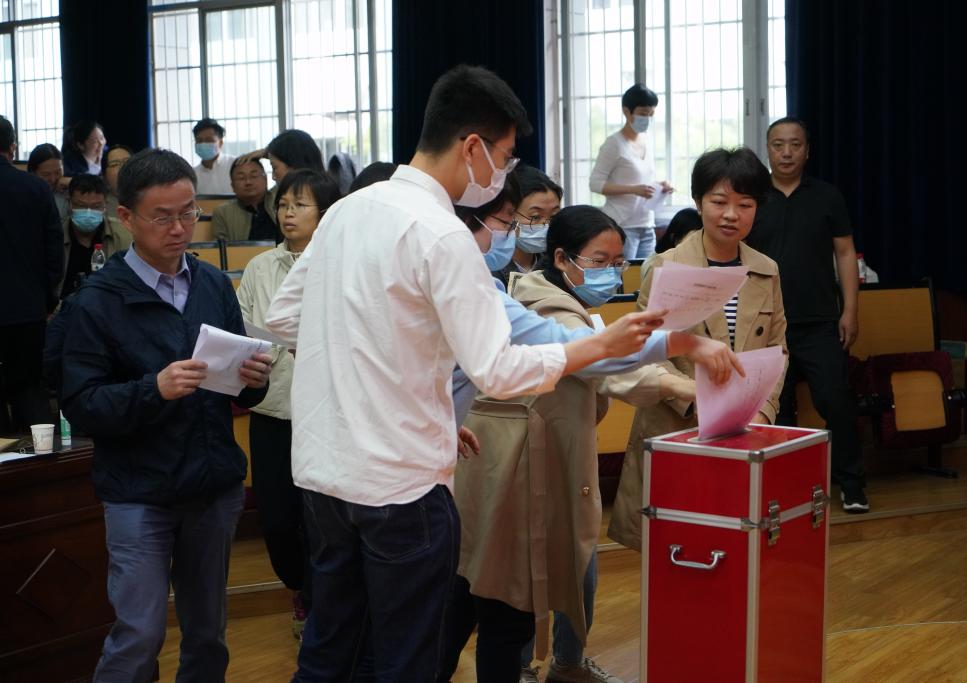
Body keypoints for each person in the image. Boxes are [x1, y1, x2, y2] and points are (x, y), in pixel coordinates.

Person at [263, 64, 679, 682]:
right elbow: (500, 371)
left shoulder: (349, 210)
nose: (503, 174)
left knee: (330, 652)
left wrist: (395, 396)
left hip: (326, 476)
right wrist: (596, 346)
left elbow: (284, 318)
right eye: (505, 158)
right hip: (401, 486)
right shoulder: (441, 233)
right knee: (406, 659)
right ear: (473, 147)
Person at [442, 204, 738, 683]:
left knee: (497, 591)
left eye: (618, 263)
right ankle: (541, 665)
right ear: (562, 258)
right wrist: (682, 365)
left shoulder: (533, 295)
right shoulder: (540, 302)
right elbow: (599, 363)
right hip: (519, 466)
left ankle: (560, 662)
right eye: (599, 262)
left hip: (533, 460)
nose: (611, 274)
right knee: (501, 600)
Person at [59, 148, 272, 681]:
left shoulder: (211, 284)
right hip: (139, 492)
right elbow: (82, 405)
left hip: (212, 485)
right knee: (139, 633)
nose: (179, 229)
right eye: (162, 217)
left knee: (208, 634)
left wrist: (253, 382)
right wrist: (153, 389)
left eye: (188, 212)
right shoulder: (97, 301)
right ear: (126, 217)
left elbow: (237, 392)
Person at [609, 147, 788, 552]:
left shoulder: (766, 269)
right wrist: (698, 402)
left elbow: (777, 348)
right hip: (676, 428)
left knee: (734, 547)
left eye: (745, 205)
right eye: (719, 202)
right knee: (675, 549)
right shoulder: (666, 266)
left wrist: (763, 410)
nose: (731, 215)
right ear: (697, 201)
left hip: (743, 430)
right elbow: (645, 348)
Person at [235, 169, 341, 641]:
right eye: (283, 204)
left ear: (326, 213)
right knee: (278, 520)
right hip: (273, 409)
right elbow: (242, 327)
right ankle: (300, 587)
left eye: (300, 204)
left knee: (322, 519)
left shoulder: (340, 264)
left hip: (327, 413)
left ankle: (321, 608)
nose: (288, 213)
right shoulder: (261, 267)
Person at [745, 117, 869, 513]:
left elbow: (845, 253)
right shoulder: (751, 197)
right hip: (765, 325)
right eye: (778, 144)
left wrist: (850, 310)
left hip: (819, 320)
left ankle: (852, 483)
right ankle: (784, 488)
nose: (786, 152)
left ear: (807, 150)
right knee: (775, 410)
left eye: (795, 145)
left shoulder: (827, 196)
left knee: (836, 400)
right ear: (767, 149)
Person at [0, 115, 61, 433]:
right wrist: (47, 300)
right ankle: (41, 457)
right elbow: (55, 252)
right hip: (28, 310)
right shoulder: (36, 188)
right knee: (29, 389)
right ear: (12, 148)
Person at [589, 84, 673, 260]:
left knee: (646, 273)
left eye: (651, 114)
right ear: (627, 112)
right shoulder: (614, 144)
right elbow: (595, 184)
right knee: (622, 274)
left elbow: (642, 181)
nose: (647, 118)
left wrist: (660, 186)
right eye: (643, 113)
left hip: (647, 224)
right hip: (622, 224)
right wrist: (633, 190)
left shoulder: (646, 141)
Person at [59, 174, 133, 299]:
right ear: (69, 203)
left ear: (105, 205)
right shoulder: (55, 235)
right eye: (81, 206)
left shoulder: (124, 235)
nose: (88, 212)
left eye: (96, 206)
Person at [492, 164, 562, 286]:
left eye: (553, 216)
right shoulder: (489, 267)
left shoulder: (558, 264)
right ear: (508, 215)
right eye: (535, 217)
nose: (546, 225)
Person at [211, 157, 279, 242]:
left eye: (254, 176)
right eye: (241, 178)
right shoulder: (223, 212)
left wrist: (266, 154)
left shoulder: (281, 198)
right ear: (232, 186)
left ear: (266, 180)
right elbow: (220, 246)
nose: (248, 182)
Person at [642, 207, 703, 282]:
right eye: (690, 241)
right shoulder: (655, 263)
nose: (695, 246)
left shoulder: (702, 259)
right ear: (673, 237)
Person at [28, 142, 69, 221]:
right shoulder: (26, 195)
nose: (53, 179)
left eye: (58, 172)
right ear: (32, 173)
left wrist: (72, 183)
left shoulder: (68, 188)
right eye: (46, 174)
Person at [193, 117, 235, 195]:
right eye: (199, 140)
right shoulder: (193, 174)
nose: (203, 144)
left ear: (221, 142)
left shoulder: (235, 165)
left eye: (209, 140)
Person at [102, 144, 134, 213]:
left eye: (127, 161)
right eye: (115, 164)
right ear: (105, 176)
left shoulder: (149, 199)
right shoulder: (99, 206)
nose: (122, 167)